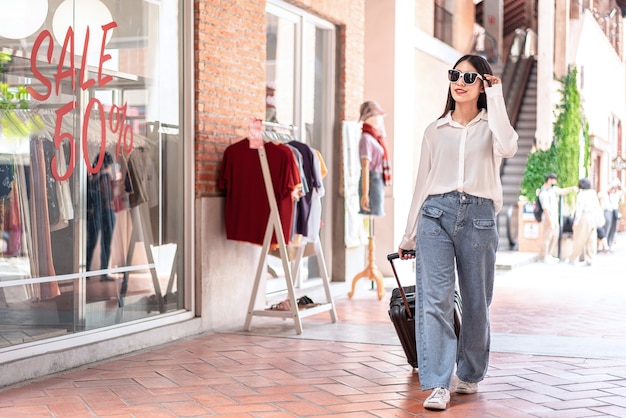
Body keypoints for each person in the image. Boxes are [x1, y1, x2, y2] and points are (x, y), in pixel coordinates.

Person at [397, 55, 518, 411]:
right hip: (435, 214)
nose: (460, 81)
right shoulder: (434, 130)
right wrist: (410, 234)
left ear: (482, 84)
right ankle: (437, 383)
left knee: (477, 301)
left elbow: (509, 146)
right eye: (455, 75)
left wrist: (496, 98)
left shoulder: (491, 127)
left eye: (469, 76)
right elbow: (423, 183)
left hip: (480, 217)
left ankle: (470, 372)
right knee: (435, 300)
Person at [86, 152, 119, 281]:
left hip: (93, 213)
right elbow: (111, 196)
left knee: (91, 242)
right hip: (106, 211)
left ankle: (86, 270)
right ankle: (103, 272)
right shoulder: (105, 178)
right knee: (106, 243)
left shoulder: (92, 177)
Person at [358, 100, 390, 216]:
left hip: (376, 180)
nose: (379, 119)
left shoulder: (375, 137)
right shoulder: (366, 138)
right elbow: (365, 167)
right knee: (371, 215)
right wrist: (365, 194)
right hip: (371, 180)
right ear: (369, 117)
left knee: (374, 217)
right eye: (376, 116)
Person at [538, 173, 578, 263]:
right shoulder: (544, 192)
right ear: (549, 180)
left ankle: (549, 255)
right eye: (554, 180)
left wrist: (572, 188)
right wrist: (550, 222)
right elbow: (545, 209)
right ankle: (544, 257)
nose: (555, 182)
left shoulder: (552, 190)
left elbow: (562, 191)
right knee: (547, 237)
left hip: (555, 218)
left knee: (555, 236)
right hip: (549, 219)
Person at [565, 178, 603, 266]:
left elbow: (579, 209)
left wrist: (575, 222)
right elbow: (597, 206)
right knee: (591, 238)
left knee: (579, 238)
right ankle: (590, 258)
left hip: (584, 217)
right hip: (592, 217)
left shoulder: (581, 194)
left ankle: (573, 258)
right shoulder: (593, 193)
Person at [606, 178, 624, 249]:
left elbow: (624, 191)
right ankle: (606, 243)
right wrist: (610, 186)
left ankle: (610, 243)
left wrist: (620, 185)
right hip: (608, 211)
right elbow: (603, 192)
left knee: (614, 228)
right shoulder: (606, 194)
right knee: (607, 227)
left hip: (615, 212)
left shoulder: (617, 194)